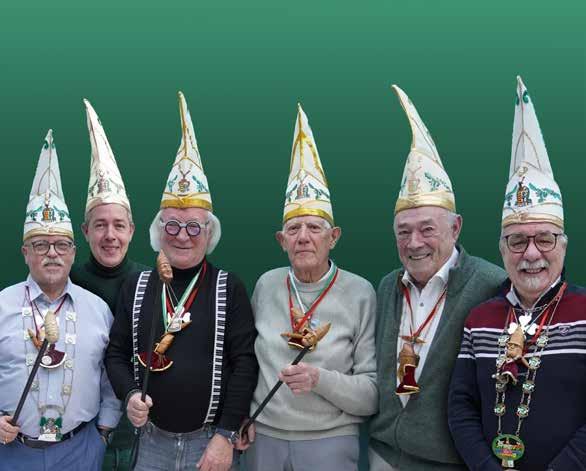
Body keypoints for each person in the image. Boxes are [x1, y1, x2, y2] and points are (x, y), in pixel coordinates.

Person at [105, 92, 258, 471]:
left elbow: (245, 364)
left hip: (209, 443)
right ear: (158, 231)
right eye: (172, 225)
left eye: (194, 226)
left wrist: (225, 436)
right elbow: (116, 353)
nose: (183, 236)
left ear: (210, 233)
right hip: (150, 442)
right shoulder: (136, 285)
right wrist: (129, 396)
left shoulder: (229, 287)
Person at [449, 76, 586, 471]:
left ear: (564, 245)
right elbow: (460, 406)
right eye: (517, 241)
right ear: (501, 250)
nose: (531, 253)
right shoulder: (479, 319)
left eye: (544, 239)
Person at [368, 85, 506, 471]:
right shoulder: (387, 287)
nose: (414, 243)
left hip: (451, 463)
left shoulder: (491, 285)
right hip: (383, 455)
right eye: (403, 231)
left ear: (455, 227)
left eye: (427, 229)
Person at [243, 104, 377, 471]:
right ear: (281, 240)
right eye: (293, 229)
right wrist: (240, 416)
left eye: (315, 228)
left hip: (330, 440)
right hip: (262, 437)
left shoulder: (360, 292)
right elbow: (246, 362)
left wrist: (319, 379)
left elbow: (371, 394)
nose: (303, 237)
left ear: (334, 237)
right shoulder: (266, 285)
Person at [0, 130, 121, 470]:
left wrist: (104, 433)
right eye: (40, 244)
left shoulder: (98, 309)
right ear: (25, 253)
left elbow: (110, 377)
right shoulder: (2, 306)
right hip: (12, 453)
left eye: (62, 245)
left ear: (73, 252)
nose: (52, 253)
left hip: (80, 450)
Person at [70, 99, 149, 470]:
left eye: (119, 225)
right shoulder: (67, 283)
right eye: (100, 225)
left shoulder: (152, 281)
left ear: (131, 230)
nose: (110, 235)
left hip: (144, 430)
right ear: (85, 231)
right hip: (80, 430)